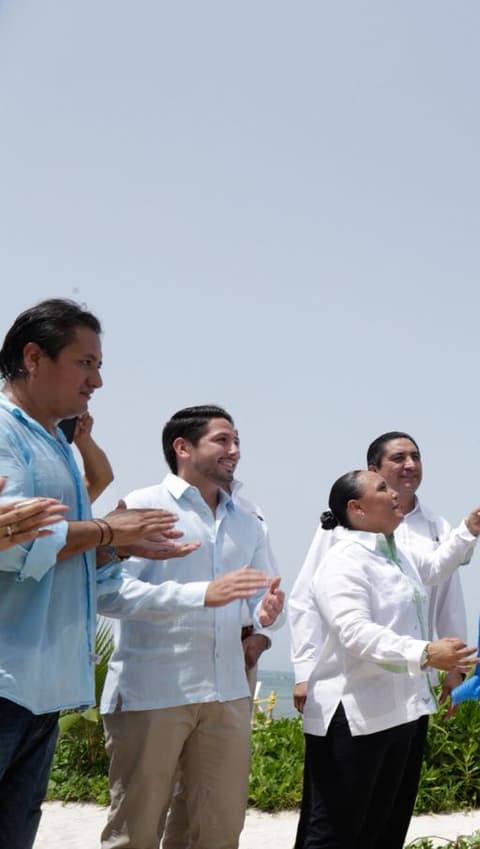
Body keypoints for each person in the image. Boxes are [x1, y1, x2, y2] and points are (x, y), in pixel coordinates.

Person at [0, 299, 196, 849]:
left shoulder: (59, 447)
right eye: (85, 363)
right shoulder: (5, 431)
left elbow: (58, 555)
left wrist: (113, 550)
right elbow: (14, 544)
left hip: (40, 688)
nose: (98, 381)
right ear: (33, 357)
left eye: (99, 365)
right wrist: (108, 531)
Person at [97, 405, 285, 849]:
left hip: (228, 694)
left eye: (236, 441)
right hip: (152, 693)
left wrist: (265, 616)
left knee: (219, 832)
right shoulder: (141, 505)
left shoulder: (249, 520)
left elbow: (261, 596)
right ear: (182, 447)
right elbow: (107, 594)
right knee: (134, 834)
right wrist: (202, 594)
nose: (234, 450)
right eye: (222, 440)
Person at [288, 431, 478, 848]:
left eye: (416, 456)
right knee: (335, 832)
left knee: (383, 828)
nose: (394, 494)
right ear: (356, 509)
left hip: (402, 710)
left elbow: (435, 569)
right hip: (355, 715)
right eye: (381, 488)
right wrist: (426, 652)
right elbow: (354, 632)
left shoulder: (395, 552)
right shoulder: (343, 559)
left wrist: (468, 529)